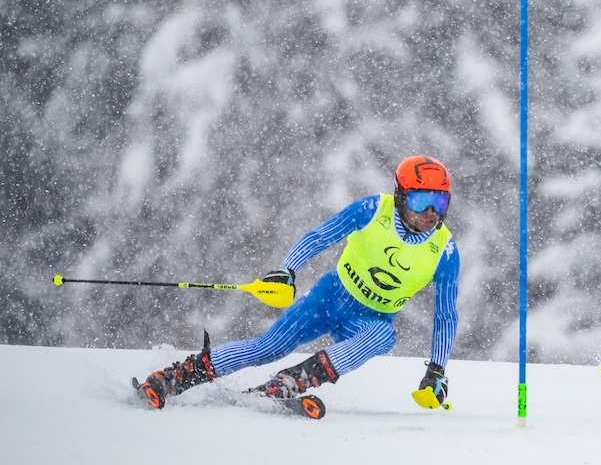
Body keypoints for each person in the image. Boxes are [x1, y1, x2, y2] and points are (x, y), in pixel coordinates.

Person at [136, 155, 460, 410]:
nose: (430, 213)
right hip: (331, 296)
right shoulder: (373, 210)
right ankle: (175, 377)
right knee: (268, 348)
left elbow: (445, 316)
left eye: (440, 203)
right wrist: (288, 270)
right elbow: (321, 236)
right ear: (401, 196)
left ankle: (293, 381)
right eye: (421, 201)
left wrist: (437, 370)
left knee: (383, 335)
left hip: (369, 320)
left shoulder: (443, 251)